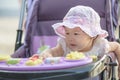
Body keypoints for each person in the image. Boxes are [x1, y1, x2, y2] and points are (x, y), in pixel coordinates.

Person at [32, 5, 120, 78]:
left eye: (76, 34)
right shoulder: (65, 45)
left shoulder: (99, 45)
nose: (70, 38)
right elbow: (54, 51)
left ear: (92, 35)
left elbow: (116, 46)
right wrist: (47, 53)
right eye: (67, 33)